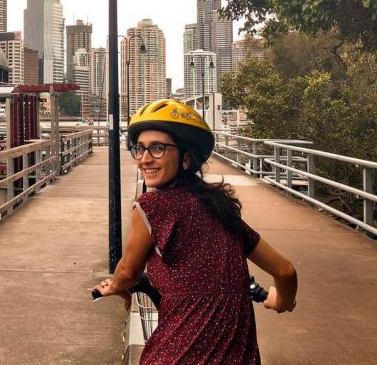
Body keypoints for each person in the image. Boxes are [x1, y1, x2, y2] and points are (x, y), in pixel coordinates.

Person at [94, 99, 297, 364]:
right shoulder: (221, 207)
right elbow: (285, 271)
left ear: (186, 157)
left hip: (180, 353)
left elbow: (127, 272)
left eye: (158, 149)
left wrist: (119, 286)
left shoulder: (152, 206)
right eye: (139, 149)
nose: (144, 159)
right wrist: (282, 300)